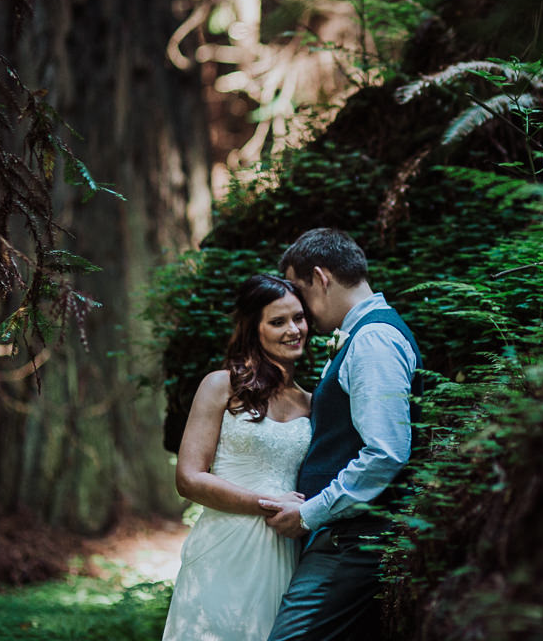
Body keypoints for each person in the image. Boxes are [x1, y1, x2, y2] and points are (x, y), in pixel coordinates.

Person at [260, 228, 422, 641]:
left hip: (353, 542)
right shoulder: (365, 335)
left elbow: (386, 452)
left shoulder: (372, 341)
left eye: (299, 290)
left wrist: (310, 512)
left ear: (321, 277)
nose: (300, 308)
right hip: (346, 536)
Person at [162, 274, 313, 641]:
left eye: (298, 318)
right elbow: (189, 479)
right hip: (225, 544)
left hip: (283, 548)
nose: (293, 330)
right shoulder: (221, 386)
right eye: (278, 322)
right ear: (253, 329)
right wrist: (266, 503)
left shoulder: (312, 402)